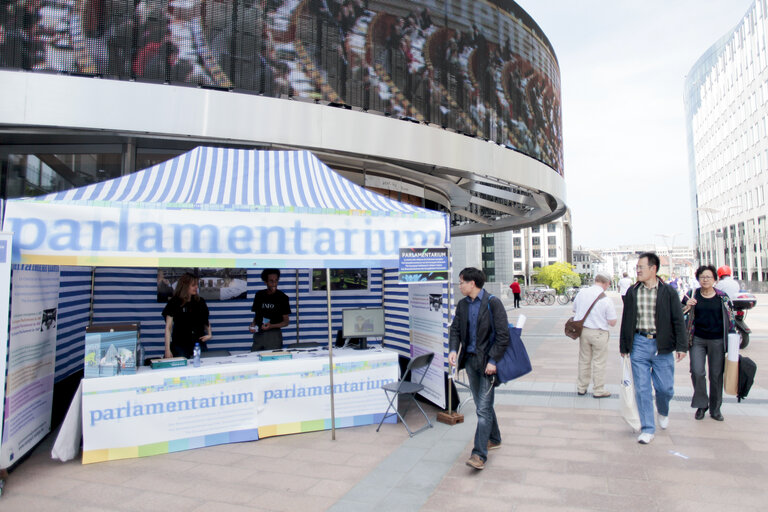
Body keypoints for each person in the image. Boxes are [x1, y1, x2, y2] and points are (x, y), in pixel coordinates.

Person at [619, 252, 687, 444]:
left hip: (662, 345)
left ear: (653, 269)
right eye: (637, 267)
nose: (638, 270)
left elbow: (678, 320)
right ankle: (648, 427)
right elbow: (627, 320)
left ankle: (663, 410)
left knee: (664, 389)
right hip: (639, 343)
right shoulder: (633, 291)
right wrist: (624, 345)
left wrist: (682, 345)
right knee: (642, 389)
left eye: (641, 267)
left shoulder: (668, 292)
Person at [448, 268, 509, 470]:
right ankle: (495, 437)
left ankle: (478, 454)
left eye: (462, 282)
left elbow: (503, 335)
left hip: (487, 364)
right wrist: (453, 350)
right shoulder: (463, 305)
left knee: (482, 409)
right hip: (470, 362)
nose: (460, 286)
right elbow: (455, 329)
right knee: (482, 404)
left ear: (472, 283)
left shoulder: (493, 303)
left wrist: (493, 360)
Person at [682, 265, 734, 422]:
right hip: (697, 339)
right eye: (702, 277)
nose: (705, 280)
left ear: (715, 280)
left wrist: (732, 341)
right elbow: (678, 313)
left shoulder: (722, 297)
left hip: (717, 340)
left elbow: (731, 320)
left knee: (716, 375)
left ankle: (715, 408)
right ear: (698, 279)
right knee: (697, 372)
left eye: (709, 277)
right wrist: (687, 306)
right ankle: (701, 405)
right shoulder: (692, 294)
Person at [573, 272, 617, 398]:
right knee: (599, 362)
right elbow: (612, 322)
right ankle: (598, 389)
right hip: (599, 332)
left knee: (584, 360)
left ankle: (582, 387)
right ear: (606, 283)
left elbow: (574, 309)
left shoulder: (582, 293)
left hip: (584, 331)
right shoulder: (606, 299)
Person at [162, 273, 212, 358]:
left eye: (197, 285)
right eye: (193, 285)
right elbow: (168, 327)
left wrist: (210, 334)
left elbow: (205, 320)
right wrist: (167, 349)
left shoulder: (200, 301)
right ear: (185, 286)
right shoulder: (174, 302)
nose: (196, 287)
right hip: (180, 345)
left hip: (198, 343)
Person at [250, 269, 291, 351]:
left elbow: (286, 322)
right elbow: (257, 314)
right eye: (271, 281)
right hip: (259, 334)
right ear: (265, 282)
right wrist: (253, 325)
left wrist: (271, 326)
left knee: (272, 360)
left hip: (274, 336)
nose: (274, 283)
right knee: (255, 358)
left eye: (276, 280)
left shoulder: (282, 297)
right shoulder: (259, 295)